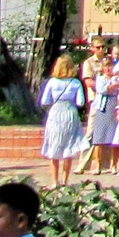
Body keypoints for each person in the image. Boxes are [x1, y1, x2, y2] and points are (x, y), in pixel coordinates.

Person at [38, 56, 88, 188]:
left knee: (54, 145)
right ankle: (65, 181)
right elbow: (80, 102)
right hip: (70, 113)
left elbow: (44, 101)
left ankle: (55, 181)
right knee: (69, 146)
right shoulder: (75, 83)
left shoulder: (52, 82)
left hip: (55, 113)